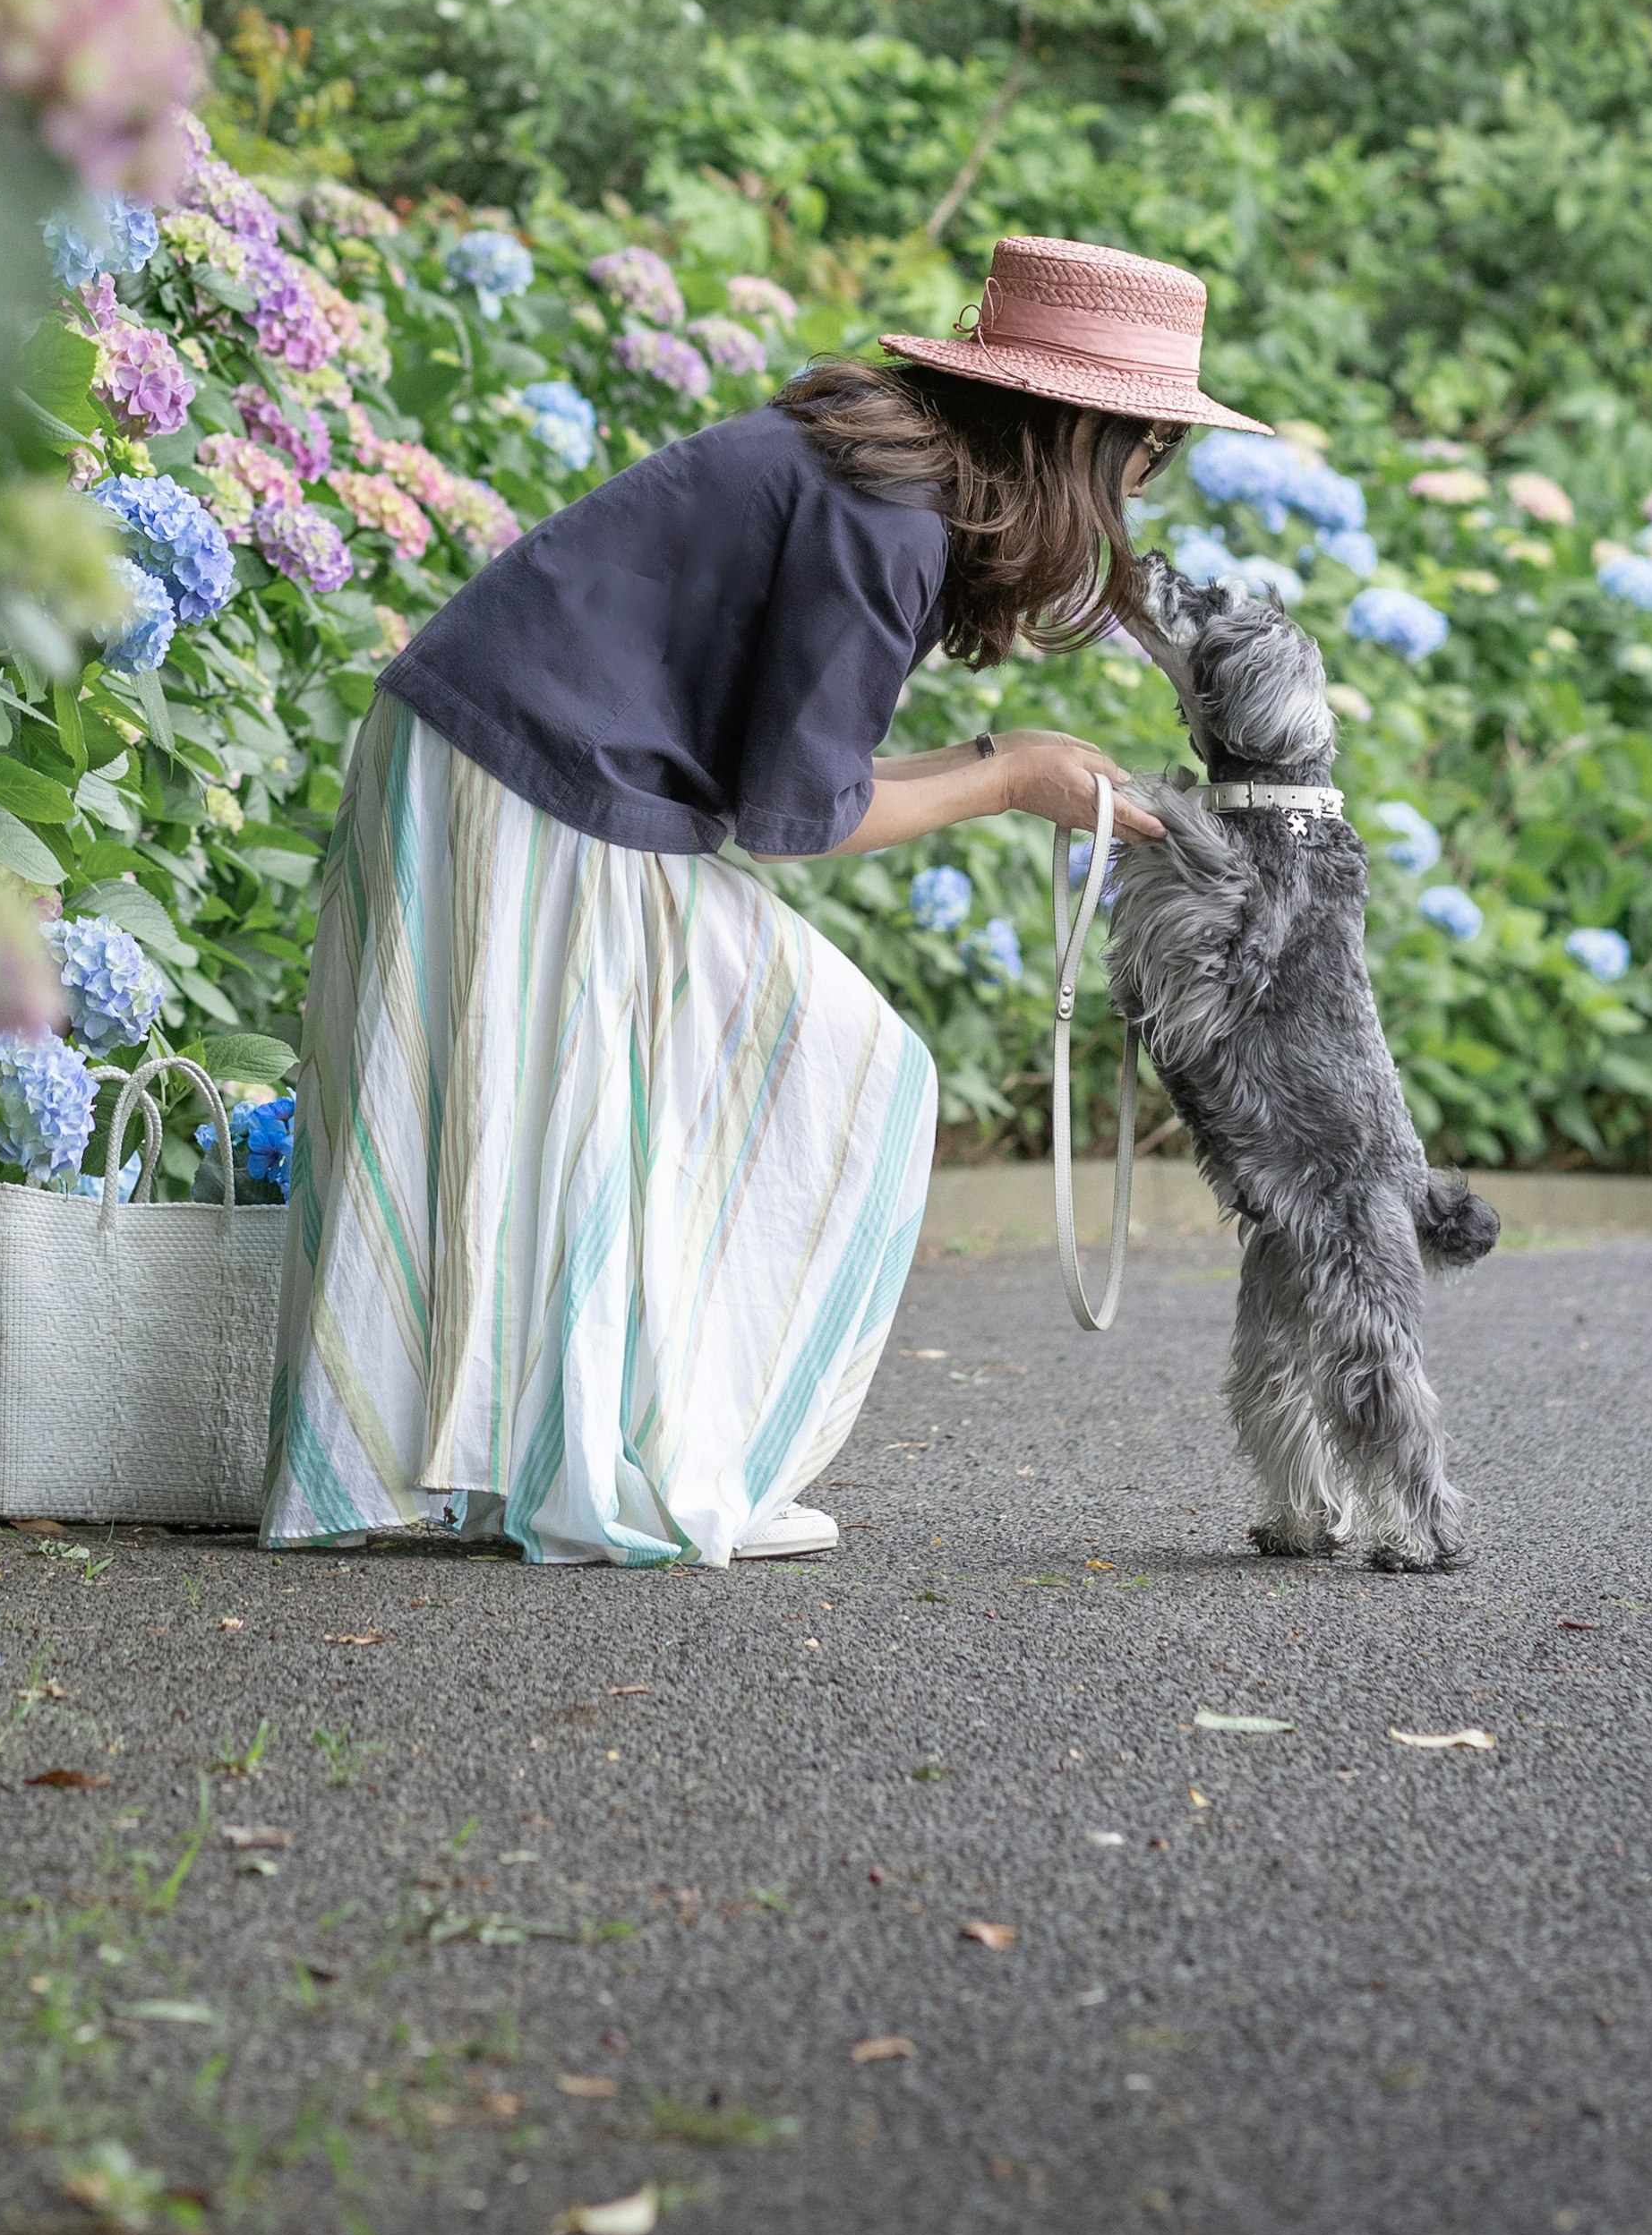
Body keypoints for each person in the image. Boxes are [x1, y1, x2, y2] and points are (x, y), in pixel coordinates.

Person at [261, 235, 1270, 1566]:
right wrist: (1009, 770)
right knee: (818, 1066)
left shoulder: (889, 471)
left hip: (495, 756)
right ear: (1089, 430)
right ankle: (639, 1467)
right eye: (1150, 453)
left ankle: (587, 1455)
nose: (1142, 486)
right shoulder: (892, 519)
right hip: (525, 773)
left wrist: (1005, 765)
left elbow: (785, 789)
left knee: (598, 1104)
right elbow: (810, 824)